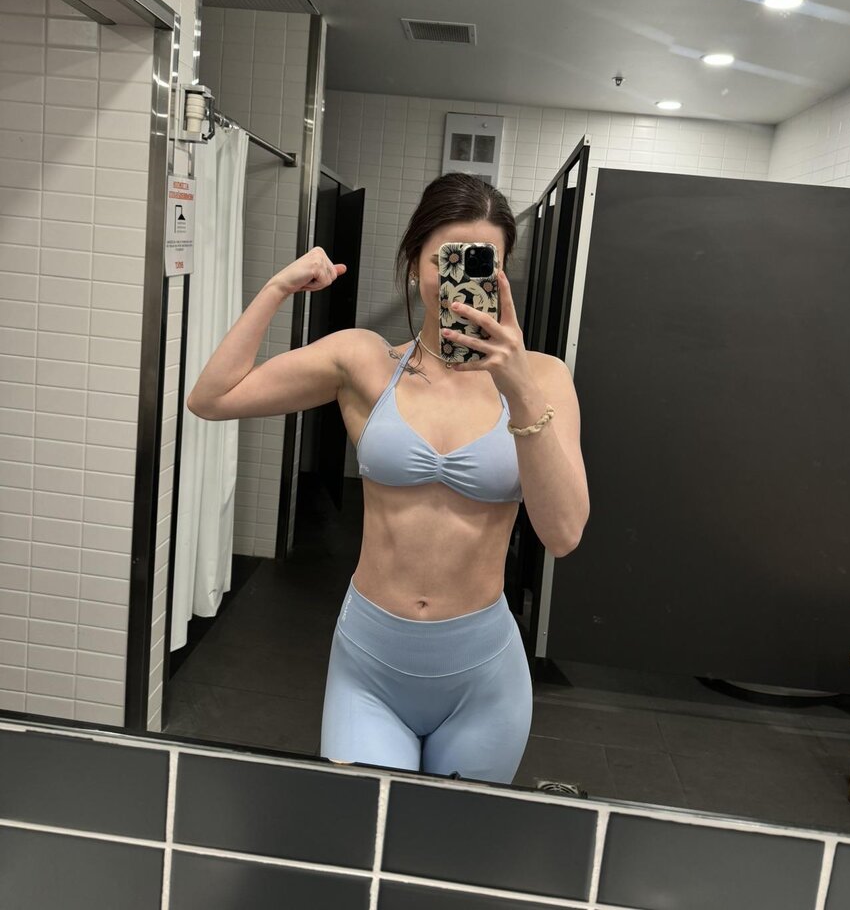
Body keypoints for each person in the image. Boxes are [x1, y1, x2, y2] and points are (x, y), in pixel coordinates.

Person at [187, 173, 590, 783]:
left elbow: (563, 534)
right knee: (363, 830)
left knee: (450, 837)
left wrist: (521, 390)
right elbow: (212, 398)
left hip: (483, 674)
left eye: (485, 262)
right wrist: (276, 288)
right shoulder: (365, 361)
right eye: (445, 259)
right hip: (370, 664)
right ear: (413, 262)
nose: (462, 278)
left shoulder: (546, 378)